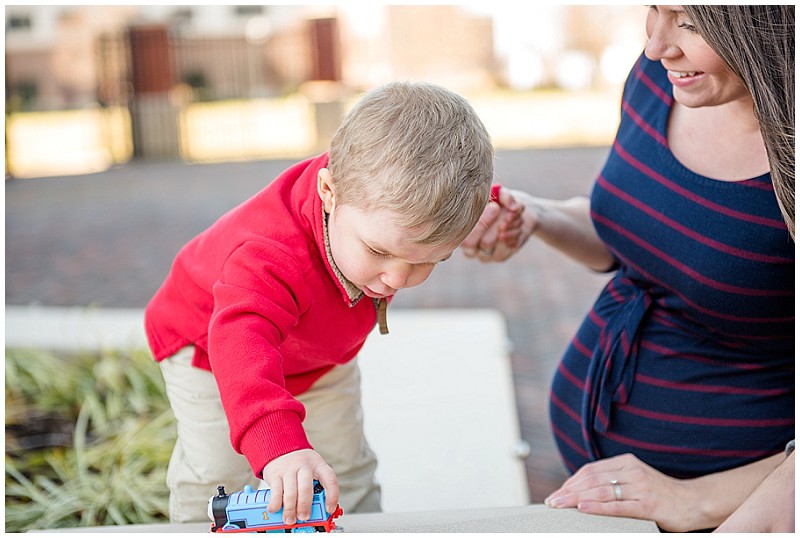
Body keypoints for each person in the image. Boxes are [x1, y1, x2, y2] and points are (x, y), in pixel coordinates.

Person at [462, 5, 794, 532]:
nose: (656, 46)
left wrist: (693, 502)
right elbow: (644, 239)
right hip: (613, 497)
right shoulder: (659, 82)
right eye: (653, 10)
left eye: (690, 21)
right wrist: (536, 215)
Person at [144, 81, 494, 524]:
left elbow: (440, 187)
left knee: (346, 464)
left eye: (429, 260)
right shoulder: (271, 253)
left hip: (317, 352)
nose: (396, 279)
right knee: (216, 474)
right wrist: (279, 443)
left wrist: (483, 209)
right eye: (379, 252)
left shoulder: (380, 207)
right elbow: (239, 340)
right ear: (330, 193)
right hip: (212, 350)